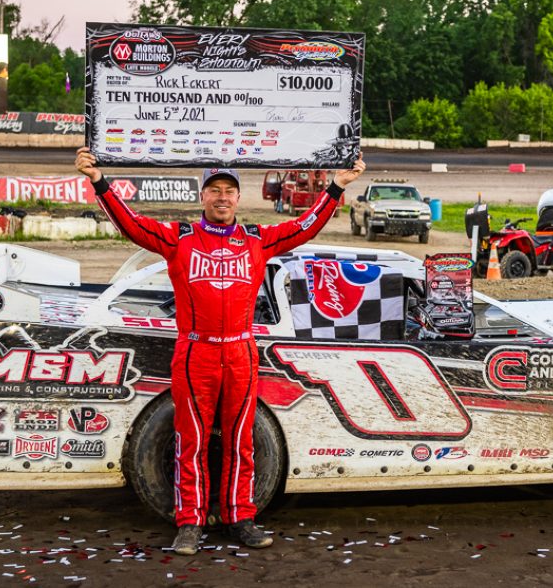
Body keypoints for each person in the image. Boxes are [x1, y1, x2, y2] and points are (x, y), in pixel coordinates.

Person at [74, 148, 366, 556]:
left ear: (238, 198)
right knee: (189, 440)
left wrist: (336, 186)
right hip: (196, 354)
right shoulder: (179, 238)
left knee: (241, 441)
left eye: (229, 190)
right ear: (203, 197)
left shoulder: (257, 240)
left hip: (242, 353)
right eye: (215, 190)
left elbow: (304, 228)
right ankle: (189, 524)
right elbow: (132, 225)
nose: (223, 197)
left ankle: (240, 517)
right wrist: (99, 181)